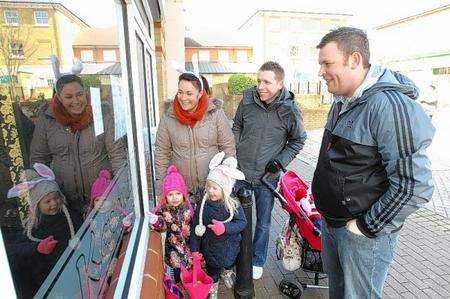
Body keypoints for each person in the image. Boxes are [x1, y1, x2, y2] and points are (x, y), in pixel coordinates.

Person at [311, 27, 435, 299]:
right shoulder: (341, 100)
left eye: (327, 63)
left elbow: (416, 185)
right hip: (332, 224)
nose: (320, 72)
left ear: (354, 60)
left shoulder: (388, 105)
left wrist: (366, 227)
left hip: (361, 235)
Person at [232, 61, 307, 279]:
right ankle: (237, 256)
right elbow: (237, 126)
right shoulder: (247, 100)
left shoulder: (290, 109)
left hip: (267, 177)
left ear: (280, 83)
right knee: (236, 217)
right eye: (258, 81)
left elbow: (298, 140)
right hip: (240, 172)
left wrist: (280, 162)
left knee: (263, 222)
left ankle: (256, 260)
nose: (260, 86)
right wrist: (235, 151)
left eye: (267, 82)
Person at [30, 74, 127, 216]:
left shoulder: (101, 116)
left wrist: (122, 190)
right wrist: (45, 195)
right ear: (58, 98)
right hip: (64, 202)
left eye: (79, 94)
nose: (76, 101)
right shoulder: (47, 121)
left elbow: (117, 154)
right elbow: (38, 159)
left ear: (85, 93)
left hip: (102, 199)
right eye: (68, 97)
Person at [155, 71, 235, 203]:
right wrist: (161, 188)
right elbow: (161, 153)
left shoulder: (216, 114)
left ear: (200, 93)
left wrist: (226, 182)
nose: (183, 98)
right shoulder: (168, 118)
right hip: (181, 192)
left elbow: (228, 148)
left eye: (189, 93)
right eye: (180, 92)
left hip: (211, 189)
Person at [6, 163, 82, 298]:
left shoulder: (70, 216)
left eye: (56, 198)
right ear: (37, 204)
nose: (54, 203)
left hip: (74, 274)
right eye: (48, 201)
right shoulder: (34, 227)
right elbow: (17, 252)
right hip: (50, 283)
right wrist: (38, 248)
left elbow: (81, 230)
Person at [190, 151, 247, 299]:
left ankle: (227, 272)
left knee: (229, 263)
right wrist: (195, 249)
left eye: (215, 188)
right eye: (208, 186)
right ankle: (213, 287)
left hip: (229, 247)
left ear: (225, 189)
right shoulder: (203, 205)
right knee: (212, 271)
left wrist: (225, 228)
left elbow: (242, 222)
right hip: (210, 248)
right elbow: (196, 226)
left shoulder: (232, 204)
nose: (210, 191)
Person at [148, 165, 194, 283]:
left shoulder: (189, 208)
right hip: (173, 249)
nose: (175, 198)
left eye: (178, 193)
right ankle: (178, 285)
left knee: (191, 270)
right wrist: (156, 222)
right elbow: (162, 226)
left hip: (189, 246)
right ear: (165, 196)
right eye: (170, 194)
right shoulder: (163, 211)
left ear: (183, 193)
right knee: (178, 271)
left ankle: (188, 284)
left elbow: (195, 225)